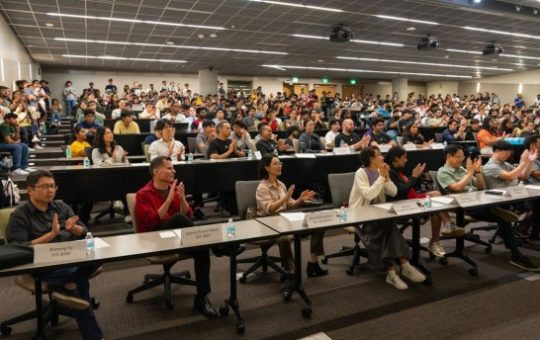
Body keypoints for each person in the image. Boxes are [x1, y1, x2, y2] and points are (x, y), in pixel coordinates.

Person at [7, 170, 104, 340]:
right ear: (30, 190)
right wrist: (50, 235)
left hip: (70, 258)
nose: (50, 190)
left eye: (53, 186)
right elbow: (17, 248)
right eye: (45, 186)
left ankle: (69, 284)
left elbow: (85, 232)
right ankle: (94, 336)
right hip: (43, 265)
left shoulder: (61, 206)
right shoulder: (20, 215)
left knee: (99, 255)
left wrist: (75, 229)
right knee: (81, 285)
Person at [134, 156, 216, 318]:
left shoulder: (173, 188)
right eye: (169, 168)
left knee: (202, 249)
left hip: (175, 236)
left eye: (173, 168)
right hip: (153, 238)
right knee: (178, 219)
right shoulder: (143, 194)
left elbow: (188, 216)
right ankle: (217, 244)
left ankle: (201, 298)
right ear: (156, 172)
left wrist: (183, 198)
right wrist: (170, 199)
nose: (174, 171)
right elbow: (151, 222)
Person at [437, 144, 539, 271]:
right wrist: (470, 173)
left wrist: (478, 171)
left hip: (478, 201)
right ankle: (516, 255)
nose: (462, 159)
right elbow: (457, 188)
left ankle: (499, 212)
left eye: (463, 157)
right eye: (459, 157)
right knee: (503, 218)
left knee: (502, 216)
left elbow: (480, 187)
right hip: (462, 205)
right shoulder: (443, 172)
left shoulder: (462, 170)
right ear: (448, 156)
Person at [349, 146, 426, 290]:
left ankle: (394, 270)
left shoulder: (381, 171)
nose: (383, 158)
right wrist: (380, 178)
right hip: (359, 214)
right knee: (385, 225)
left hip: (378, 214)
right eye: (379, 155)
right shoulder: (360, 173)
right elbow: (369, 195)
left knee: (386, 225)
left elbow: (394, 191)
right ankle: (404, 265)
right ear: (372, 159)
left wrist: (386, 178)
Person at [256, 154, 327, 300]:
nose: (280, 165)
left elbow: (290, 204)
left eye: (280, 163)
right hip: (268, 222)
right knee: (285, 238)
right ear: (267, 167)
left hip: (283, 218)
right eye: (276, 164)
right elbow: (270, 209)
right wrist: (286, 197)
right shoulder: (262, 188)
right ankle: (290, 274)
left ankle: (312, 264)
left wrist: (300, 199)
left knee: (318, 224)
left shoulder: (281, 184)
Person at [385, 146, 461, 257]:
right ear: (396, 158)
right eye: (404, 158)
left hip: (414, 200)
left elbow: (411, 188)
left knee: (436, 195)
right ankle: (443, 230)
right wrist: (414, 176)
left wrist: (417, 176)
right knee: (436, 202)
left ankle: (444, 229)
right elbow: (401, 192)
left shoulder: (398, 171)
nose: (406, 160)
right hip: (403, 206)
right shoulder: (390, 173)